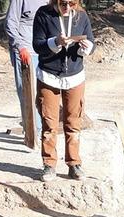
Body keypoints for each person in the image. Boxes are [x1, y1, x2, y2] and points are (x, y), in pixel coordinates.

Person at [33, 0, 95, 182]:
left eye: (72, 3)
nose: (67, 7)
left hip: (75, 76)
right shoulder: (43, 14)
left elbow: (92, 42)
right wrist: (55, 42)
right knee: (49, 123)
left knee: (73, 122)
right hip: (48, 76)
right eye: (63, 3)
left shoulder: (81, 16)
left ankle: (74, 164)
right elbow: (37, 45)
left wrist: (87, 48)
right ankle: (49, 165)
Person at [5, 0, 47, 135]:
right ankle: (33, 132)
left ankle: (42, 128)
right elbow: (10, 23)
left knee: (44, 92)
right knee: (28, 93)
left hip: (45, 50)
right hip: (26, 51)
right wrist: (20, 47)